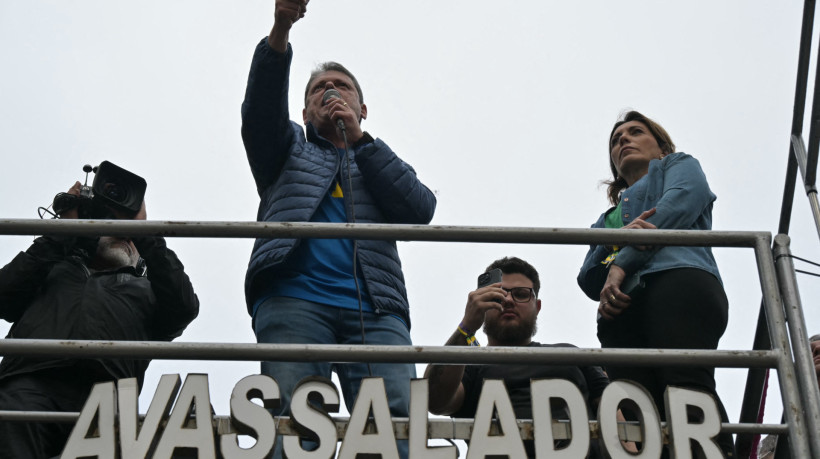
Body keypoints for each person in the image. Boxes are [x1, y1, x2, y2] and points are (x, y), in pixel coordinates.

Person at [240, 0, 436, 456]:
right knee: (292, 421)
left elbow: (420, 208)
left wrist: (363, 145)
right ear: (306, 112)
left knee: (398, 425)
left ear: (362, 108)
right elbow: (260, 112)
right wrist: (280, 29)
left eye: (341, 87)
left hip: (379, 309)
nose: (331, 92)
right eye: (319, 90)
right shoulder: (286, 149)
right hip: (295, 302)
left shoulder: (377, 158)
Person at [0, 181, 199, 458]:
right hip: (30, 383)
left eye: (131, 237)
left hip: (108, 396)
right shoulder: (50, 270)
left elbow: (185, 307)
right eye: (115, 230)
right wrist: (64, 230)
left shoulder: (148, 291)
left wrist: (143, 230)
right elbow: (5, 293)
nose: (125, 237)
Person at [577, 111, 734, 457]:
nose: (624, 140)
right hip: (620, 313)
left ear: (660, 146)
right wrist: (616, 238)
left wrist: (620, 263)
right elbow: (587, 277)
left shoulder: (678, 166)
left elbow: (677, 207)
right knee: (636, 408)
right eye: (617, 140)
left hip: (678, 286)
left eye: (635, 132)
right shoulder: (605, 220)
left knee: (687, 392)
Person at [425, 257, 613, 458]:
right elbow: (434, 400)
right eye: (498, 295)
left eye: (521, 294)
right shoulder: (469, 365)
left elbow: (613, 414)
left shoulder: (570, 354)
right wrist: (467, 326)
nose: (508, 300)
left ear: (537, 307)